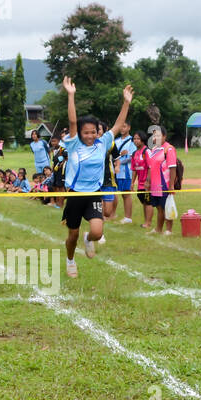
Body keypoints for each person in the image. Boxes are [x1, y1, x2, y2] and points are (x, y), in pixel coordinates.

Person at [59, 77, 133, 276]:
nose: (90, 135)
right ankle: (70, 260)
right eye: (86, 132)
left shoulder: (103, 143)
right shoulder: (74, 145)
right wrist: (71, 95)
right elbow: (73, 121)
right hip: (75, 195)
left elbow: (118, 125)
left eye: (93, 132)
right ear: (80, 134)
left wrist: (126, 102)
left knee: (97, 231)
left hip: (93, 193)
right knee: (72, 235)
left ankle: (88, 239)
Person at [144, 126, 173, 235]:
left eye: (158, 135)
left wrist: (171, 185)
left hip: (164, 183)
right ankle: (158, 229)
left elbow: (172, 167)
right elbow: (151, 167)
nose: (155, 138)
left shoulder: (168, 149)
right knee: (159, 207)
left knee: (167, 207)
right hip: (155, 184)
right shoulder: (154, 149)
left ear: (164, 136)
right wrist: (148, 181)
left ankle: (169, 230)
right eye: (154, 135)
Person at [130, 130, 152, 228]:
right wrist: (132, 183)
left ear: (143, 140)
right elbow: (134, 169)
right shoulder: (134, 153)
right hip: (140, 183)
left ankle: (148, 223)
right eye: (134, 139)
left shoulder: (146, 151)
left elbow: (151, 167)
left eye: (138, 138)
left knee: (148, 202)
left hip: (147, 183)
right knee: (144, 202)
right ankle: (145, 221)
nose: (136, 141)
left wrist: (148, 181)